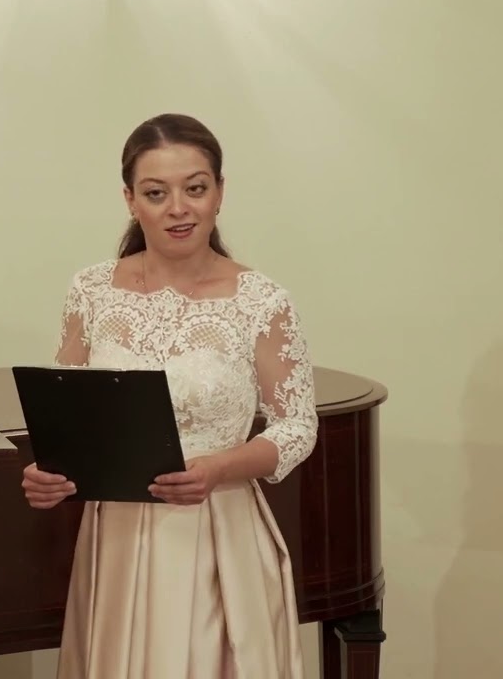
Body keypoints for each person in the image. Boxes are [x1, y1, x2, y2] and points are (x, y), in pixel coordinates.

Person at [20, 113, 319, 678]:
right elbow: (70, 410)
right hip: (116, 536)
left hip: (216, 528)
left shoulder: (262, 301)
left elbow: (297, 427)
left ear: (220, 193)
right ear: (131, 201)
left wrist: (218, 468)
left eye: (195, 189)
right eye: (157, 193)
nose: (178, 208)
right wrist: (48, 470)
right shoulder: (91, 289)